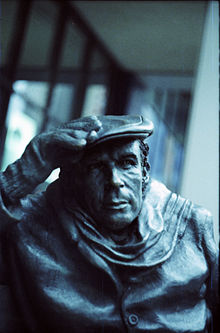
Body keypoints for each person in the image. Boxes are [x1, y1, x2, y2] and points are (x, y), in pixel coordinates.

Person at [0, 115, 218, 333]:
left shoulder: (191, 226)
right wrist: (25, 169)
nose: (114, 181)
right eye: (96, 166)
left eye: (127, 163)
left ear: (144, 172)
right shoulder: (35, 225)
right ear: (75, 180)